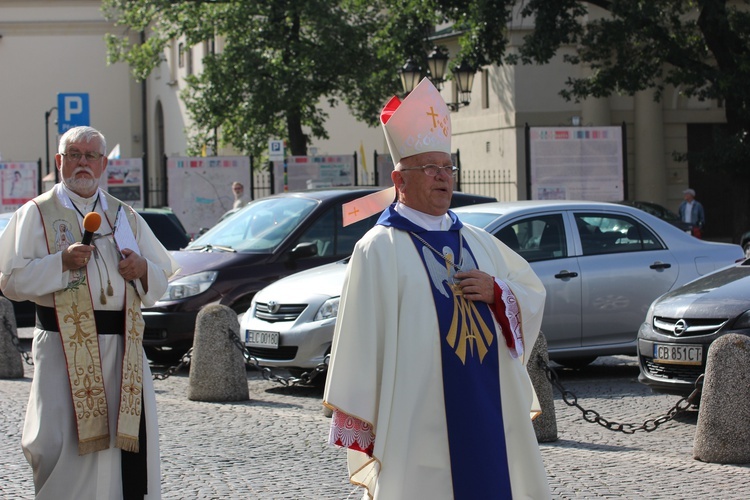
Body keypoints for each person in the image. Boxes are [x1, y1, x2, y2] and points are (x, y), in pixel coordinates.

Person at [323, 78, 550, 499]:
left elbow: (532, 293)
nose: (443, 178)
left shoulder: (479, 241)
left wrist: (499, 291)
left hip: (487, 405)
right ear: (399, 179)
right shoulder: (378, 248)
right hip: (415, 412)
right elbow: (358, 339)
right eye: (430, 168)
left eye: (448, 167)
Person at [0, 126, 179, 500]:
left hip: (124, 353)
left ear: (103, 164)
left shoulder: (123, 215)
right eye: (75, 155)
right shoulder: (37, 214)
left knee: (122, 450)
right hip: (64, 351)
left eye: (91, 156)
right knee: (58, 442)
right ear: (59, 161)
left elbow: (162, 277)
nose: (83, 163)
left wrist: (143, 269)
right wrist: (59, 263)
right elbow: (11, 281)